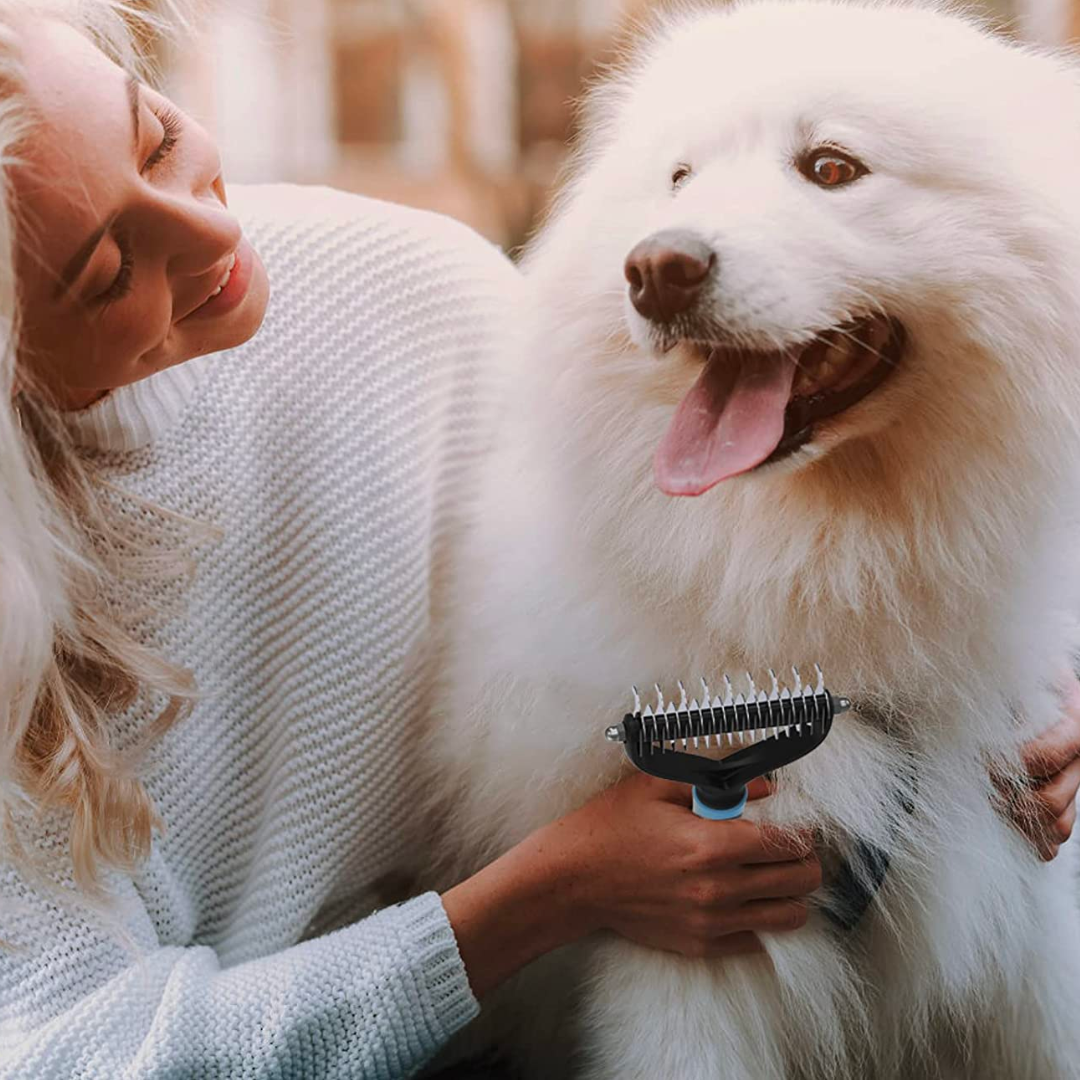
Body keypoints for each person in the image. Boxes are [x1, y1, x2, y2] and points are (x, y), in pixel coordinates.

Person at [0, 2, 1076, 1078]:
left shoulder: (403, 286)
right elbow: (69, 1055)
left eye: (158, 137)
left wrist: (1038, 674)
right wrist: (549, 888)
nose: (215, 234)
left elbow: (915, 518)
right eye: (105, 271)